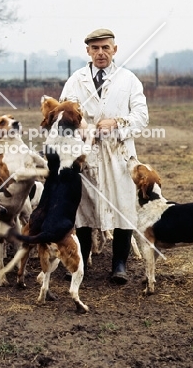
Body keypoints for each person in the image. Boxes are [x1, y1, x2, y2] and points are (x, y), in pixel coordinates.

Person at [60, 28, 149, 284]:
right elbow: (62, 113)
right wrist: (81, 126)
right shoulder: (76, 80)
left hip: (118, 153)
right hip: (85, 154)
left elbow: (142, 117)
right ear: (88, 51)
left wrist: (118, 123)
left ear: (115, 49)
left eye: (105, 48)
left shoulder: (129, 79)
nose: (101, 53)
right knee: (83, 207)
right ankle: (80, 263)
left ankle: (119, 264)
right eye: (95, 48)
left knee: (122, 205)